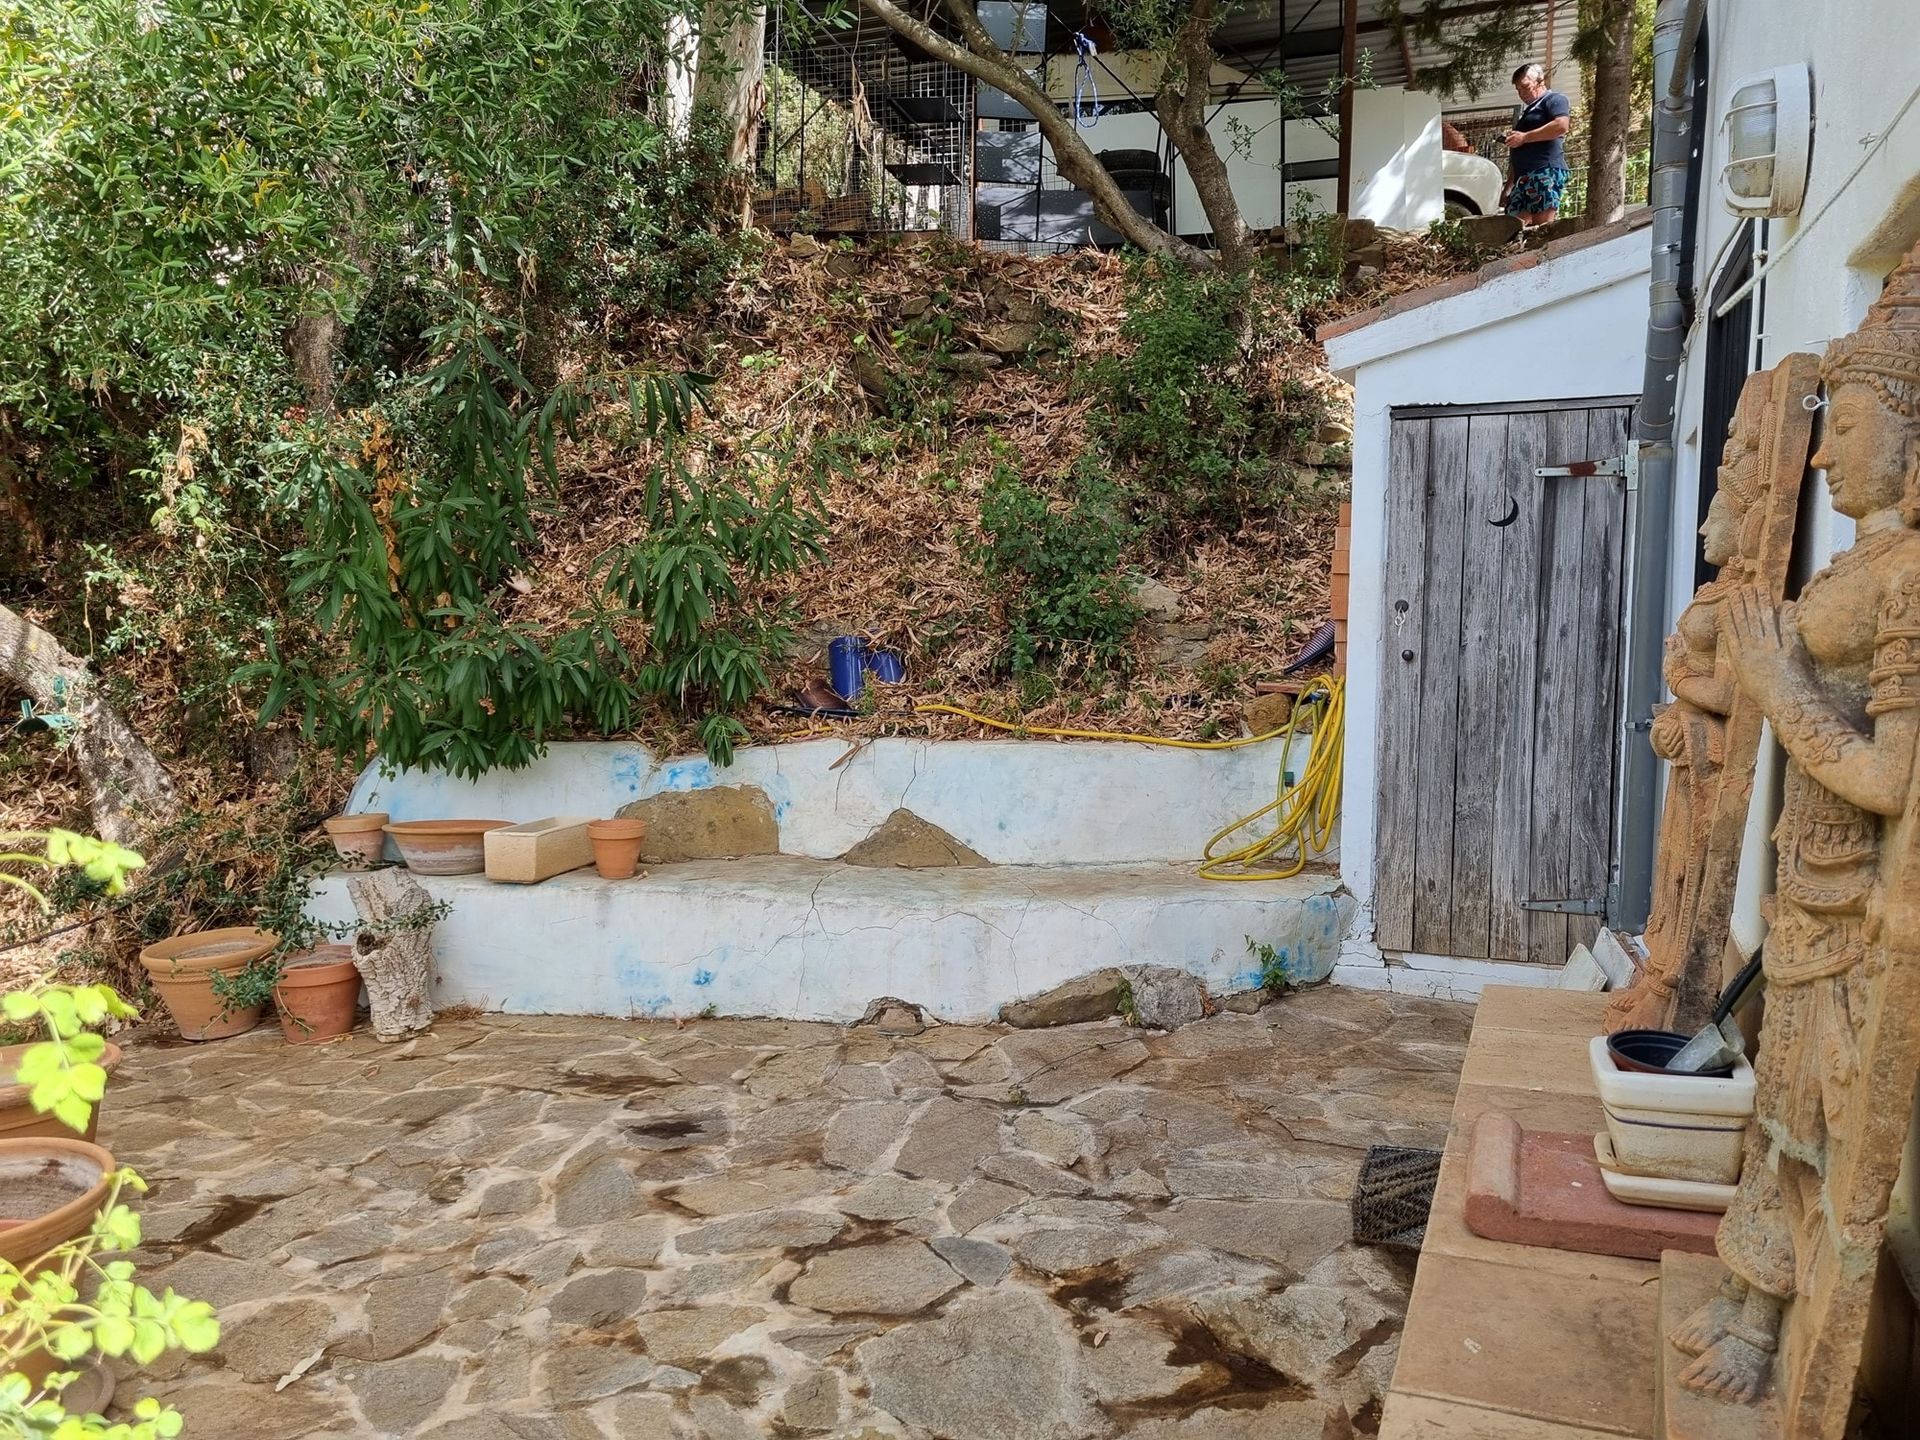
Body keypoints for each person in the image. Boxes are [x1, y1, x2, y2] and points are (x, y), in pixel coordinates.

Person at [1501, 62, 1572, 226]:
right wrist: (1508, 186)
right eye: (1518, 90)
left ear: (1540, 81)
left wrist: (1525, 137)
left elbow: (1561, 126)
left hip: (1544, 171)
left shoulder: (1554, 99)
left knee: (1542, 229)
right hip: (1522, 178)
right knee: (1512, 228)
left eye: (1525, 87)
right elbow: (1518, 152)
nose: (1521, 93)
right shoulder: (1528, 112)